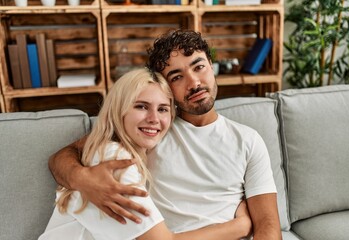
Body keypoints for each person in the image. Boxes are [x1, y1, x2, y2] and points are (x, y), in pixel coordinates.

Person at [49, 29, 281, 239]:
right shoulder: (151, 131)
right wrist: (81, 179)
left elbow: (268, 225)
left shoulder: (248, 140)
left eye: (199, 67)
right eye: (177, 77)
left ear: (211, 66)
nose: (194, 83)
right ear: (165, 88)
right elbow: (64, 155)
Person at [39, 68, 251, 240]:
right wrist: (240, 226)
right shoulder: (116, 161)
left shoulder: (116, 151)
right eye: (141, 106)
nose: (153, 119)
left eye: (162, 109)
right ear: (118, 110)